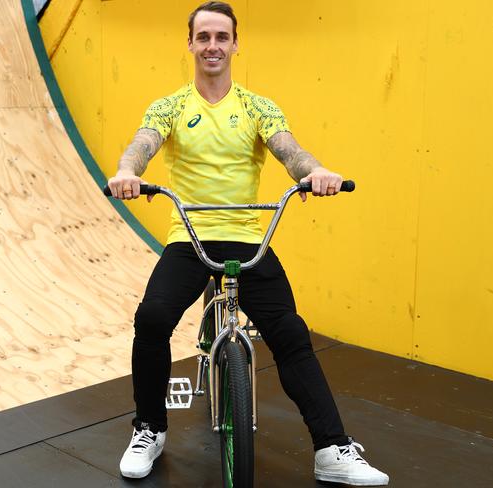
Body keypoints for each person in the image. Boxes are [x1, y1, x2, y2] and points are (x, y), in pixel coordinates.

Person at [107, 2, 389, 485]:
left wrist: (315, 172)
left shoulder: (258, 106)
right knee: (152, 319)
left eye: (222, 37)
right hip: (190, 237)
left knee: (291, 334)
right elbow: (143, 143)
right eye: (203, 37)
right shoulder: (170, 105)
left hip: (247, 236)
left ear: (235, 44)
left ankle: (332, 449)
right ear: (191, 44)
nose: (212, 46)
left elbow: (290, 151)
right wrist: (128, 173)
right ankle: (149, 428)